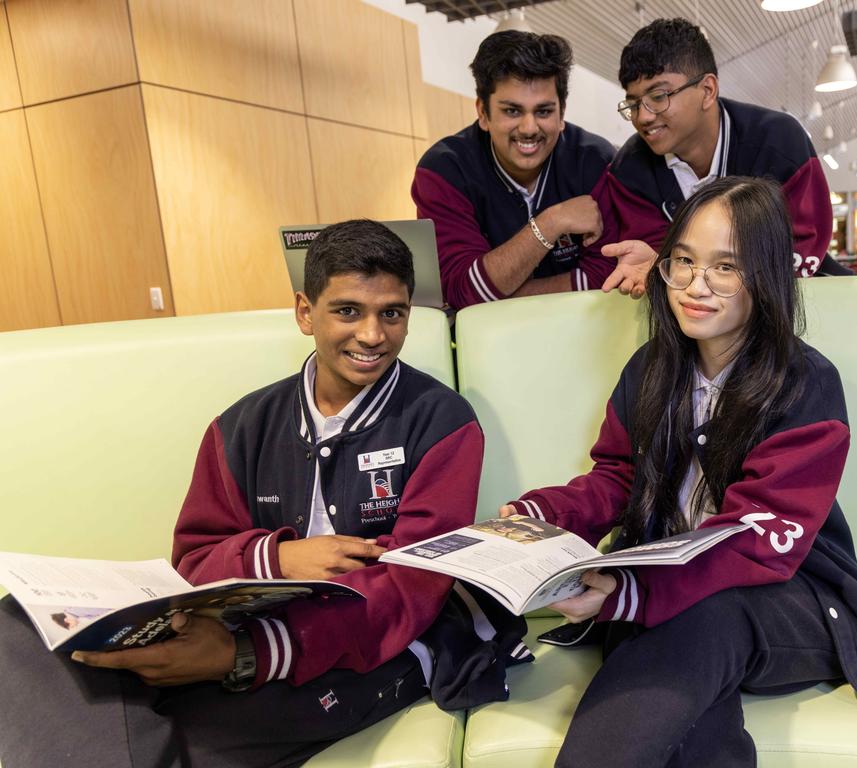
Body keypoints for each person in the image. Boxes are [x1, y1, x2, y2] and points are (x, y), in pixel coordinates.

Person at [0, 220, 527, 767]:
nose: (372, 335)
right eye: (348, 310)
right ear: (305, 312)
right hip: (229, 625)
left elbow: (413, 587)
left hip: (363, 648)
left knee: (183, 735)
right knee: (18, 626)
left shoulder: (443, 422)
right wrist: (275, 559)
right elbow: (195, 560)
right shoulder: (243, 425)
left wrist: (243, 653)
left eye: (391, 313)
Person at [499, 177, 857, 767]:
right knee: (695, 717)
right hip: (666, 598)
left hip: (782, 602)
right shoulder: (651, 368)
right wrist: (543, 514)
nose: (695, 286)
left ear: (766, 275)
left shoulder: (805, 383)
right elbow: (620, 481)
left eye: (725, 267)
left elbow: (760, 543)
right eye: (683, 261)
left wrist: (632, 595)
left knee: (706, 611)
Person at [591, 18, 851, 300]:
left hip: (797, 308)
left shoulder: (779, 142)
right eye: (633, 103)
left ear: (707, 90)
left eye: (658, 96)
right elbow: (659, 257)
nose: (643, 117)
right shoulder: (628, 170)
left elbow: (800, 246)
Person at [412, 31, 618, 309]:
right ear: (483, 114)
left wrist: (494, 292)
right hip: (483, 344)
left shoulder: (595, 160)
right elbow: (462, 290)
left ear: (562, 114)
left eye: (544, 111)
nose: (529, 128)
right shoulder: (444, 171)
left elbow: (607, 275)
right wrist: (552, 222)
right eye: (512, 111)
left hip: (584, 331)